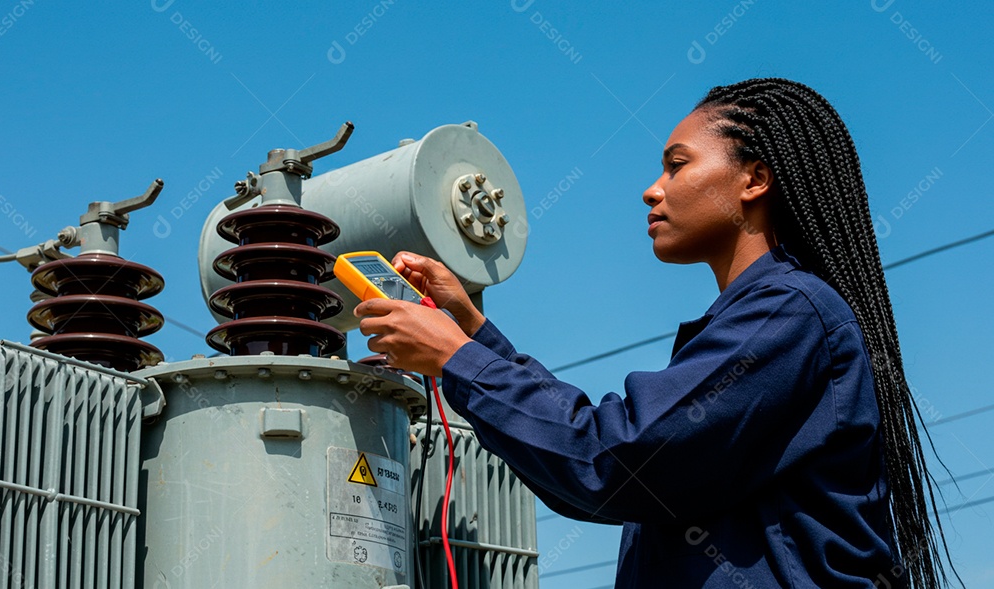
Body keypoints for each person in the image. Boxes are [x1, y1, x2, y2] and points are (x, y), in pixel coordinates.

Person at [355, 78, 954, 588]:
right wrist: (474, 332)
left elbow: (612, 459)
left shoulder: (785, 315)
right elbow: (618, 450)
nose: (653, 188)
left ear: (754, 179)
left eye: (677, 164)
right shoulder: (773, 316)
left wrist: (459, 360)